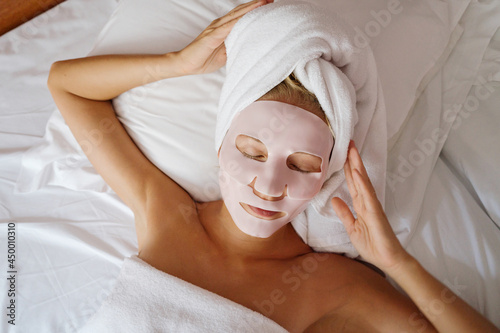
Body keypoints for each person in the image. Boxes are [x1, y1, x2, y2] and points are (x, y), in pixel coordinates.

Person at [47, 0, 499, 332]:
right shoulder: (169, 216)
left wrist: (397, 263)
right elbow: (66, 85)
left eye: (302, 164)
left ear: (329, 172)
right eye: (252, 152)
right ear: (221, 145)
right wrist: (178, 63)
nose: (270, 186)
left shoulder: (334, 283)